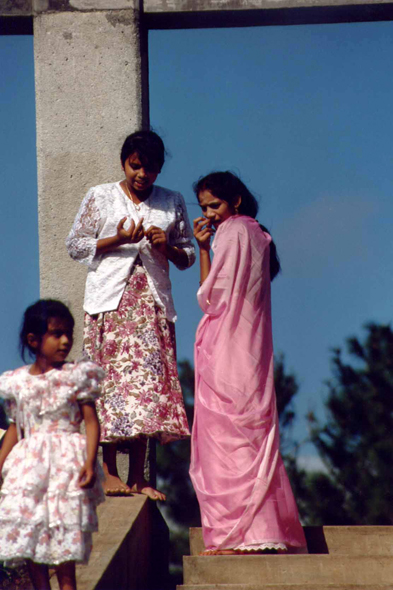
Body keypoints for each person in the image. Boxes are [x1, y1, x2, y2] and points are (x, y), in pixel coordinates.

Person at [66, 130, 194, 499]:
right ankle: (110, 473)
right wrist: (117, 239)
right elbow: (75, 245)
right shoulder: (100, 196)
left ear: (159, 170)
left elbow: (187, 256)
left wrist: (165, 246)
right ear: (124, 162)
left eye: (150, 169)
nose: (141, 174)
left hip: (151, 307)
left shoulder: (172, 202)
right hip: (110, 304)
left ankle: (140, 476)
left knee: (147, 389)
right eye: (135, 166)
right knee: (111, 388)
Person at [190, 171, 307, 555]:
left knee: (225, 433)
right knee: (251, 435)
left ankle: (237, 531)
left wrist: (205, 248)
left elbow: (210, 298)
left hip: (227, 345)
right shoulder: (259, 234)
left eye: (215, 205)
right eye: (205, 206)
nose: (210, 213)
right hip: (253, 350)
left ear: (235, 201)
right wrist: (204, 247)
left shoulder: (234, 232)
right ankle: (264, 527)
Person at [0, 299, 104, 590]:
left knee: (63, 538)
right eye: (56, 334)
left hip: (65, 466)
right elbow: (14, 428)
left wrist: (89, 462)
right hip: (29, 467)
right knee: (30, 534)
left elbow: (91, 421)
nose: (65, 340)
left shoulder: (75, 376)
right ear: (33, 340)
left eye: (68, 333)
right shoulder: (17, 382)